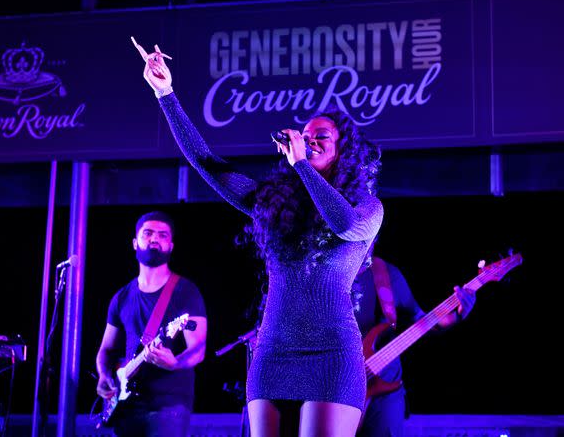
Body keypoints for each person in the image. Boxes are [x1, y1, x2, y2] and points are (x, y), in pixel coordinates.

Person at [131, 39, 384, 436]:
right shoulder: (272, 202)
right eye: (306, 134)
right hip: (274, 350)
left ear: (342, 153)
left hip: (333, 353)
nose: (310, 140)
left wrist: (301, 164)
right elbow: (209, 165)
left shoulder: (367, 207)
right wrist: (166, 94)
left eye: (322, 138)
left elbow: (345, 227)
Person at [96, 211, 207, 437]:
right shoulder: (122, 297)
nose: (155, 238)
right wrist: (104, 375)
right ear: (135, 242)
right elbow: (106, 350)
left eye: (163, 235)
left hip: (169, 405)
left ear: (171, 246)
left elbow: (198, 348)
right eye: (148, 233)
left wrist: (175, 363)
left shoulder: (186, 291)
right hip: (126, 405)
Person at [352, 244, 476, 437]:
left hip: (384, 391)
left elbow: (420, 320)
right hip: (336, 387)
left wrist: (455, 316)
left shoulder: (385, 273)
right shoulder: (322, 272)